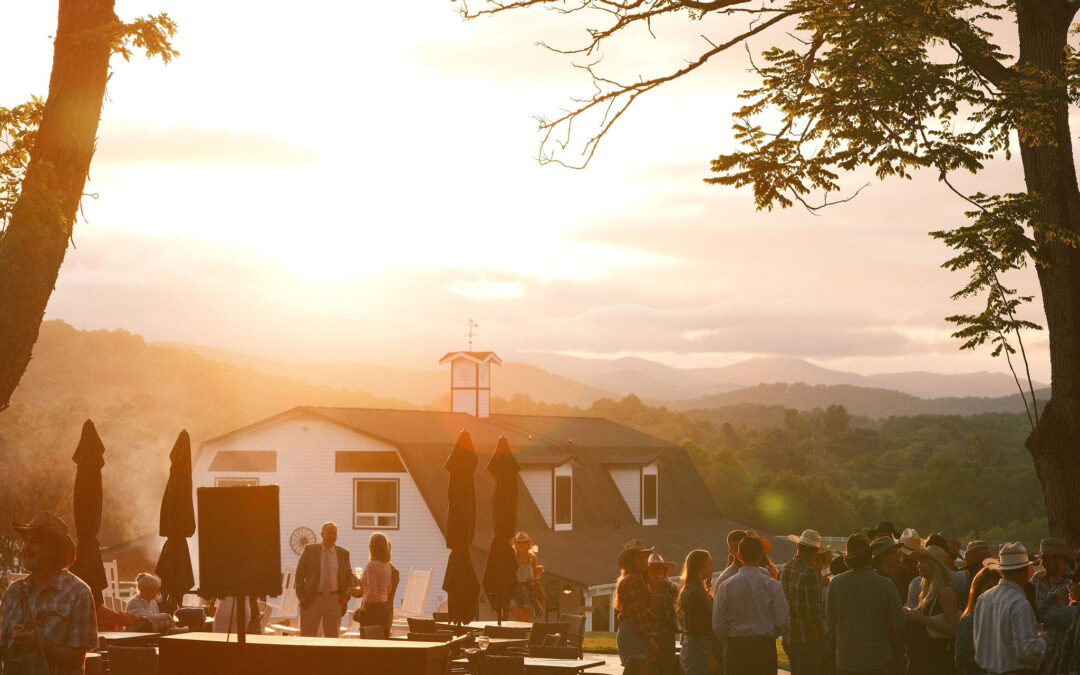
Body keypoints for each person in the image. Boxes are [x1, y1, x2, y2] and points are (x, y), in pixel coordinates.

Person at [0, 512, 98, 675]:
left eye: (36, 542)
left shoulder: (78, 593)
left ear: (54, 550)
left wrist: (36, 643)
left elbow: (76, 659)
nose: (27, 548)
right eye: (26, 541)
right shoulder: (14, 591)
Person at [824, 533, 904, 675]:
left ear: (848, 560)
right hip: (877, 659)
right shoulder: (886, 584)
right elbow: (898, 623)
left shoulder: (836, 583)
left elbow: (830, 622)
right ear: (869, 556)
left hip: (846, 659)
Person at [713, 534, 789, 675]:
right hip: (764, 649)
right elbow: (783, 621)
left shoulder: (726, 586)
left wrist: (732, 637)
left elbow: (718, 624)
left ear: (740, 556)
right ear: (761, 556)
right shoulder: (773, 586)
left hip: (737, 649)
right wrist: (769, 632)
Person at [973, 542, 1046, 675]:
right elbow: (1026, 652)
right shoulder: (1019, 603)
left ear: (1001, 571)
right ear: (1025, 571)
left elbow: (978, 645)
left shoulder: (983, 598)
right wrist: (1042, 641)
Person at [903, 545, 959, 675]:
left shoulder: (945, 591)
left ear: (934, 566)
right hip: (926, 657)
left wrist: (923, 619)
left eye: (922, 562)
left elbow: (954, 628)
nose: (918, 565)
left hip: (937, 660)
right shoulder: (927, 590)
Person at [295, 521, 356, 637]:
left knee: (332, 639)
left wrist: (347, 595)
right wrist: (302, 597)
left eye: (335, 533)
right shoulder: (310, 551)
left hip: (334, 601)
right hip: (312, 600)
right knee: (307, 638)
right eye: (329, 533)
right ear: (322, 534)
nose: (332, 536)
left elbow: (349, 576)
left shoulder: (343, 554)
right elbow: (299, 576)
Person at [781, 529, 826, 675]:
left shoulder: (785, 568)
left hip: (789, 637)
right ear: (815, 552)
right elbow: (814, 613)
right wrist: (823, 637)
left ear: (798, 547)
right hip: (807, 640)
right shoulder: (811, 573)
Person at [614, 539, 660, 667]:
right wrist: (650, 639)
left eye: (645, 557)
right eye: (639, 557)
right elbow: (638, 614)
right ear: (631, 561)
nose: (644, 561)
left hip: (635, 632)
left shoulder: (639, 580)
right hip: (633, 633)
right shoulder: (631, 581)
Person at [954, 567, 1000, 675]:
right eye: (988, 587)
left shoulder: (1002, 616)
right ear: (978, 591)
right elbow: (961, 659)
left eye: (997, 587)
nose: (993, 591)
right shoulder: (970, 620)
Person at [870, 536, 906, 675]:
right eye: (894, 552)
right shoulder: (888, 580)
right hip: (889, 645)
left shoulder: (876, 577)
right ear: (884, 556)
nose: (898, 555)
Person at [676, 549, 715, 675]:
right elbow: (696, 627)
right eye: (709, 564)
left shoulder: (697, 590)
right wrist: (709, 654)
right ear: (700, 567)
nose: (713, 567)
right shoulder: (694, 593)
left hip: (695, 646)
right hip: (697, 648)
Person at [354, 532, 394, 635]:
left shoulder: (372, 565)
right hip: (383, 608)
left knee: (367, 642)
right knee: (377, 639)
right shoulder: (387, 566)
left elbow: (372, 591)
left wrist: (364, 607)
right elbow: (389, 589)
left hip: (371, 610)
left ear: (372, 547)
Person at [648, 552, 680, 675]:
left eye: (659, 567)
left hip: (667, 635)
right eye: (652, 567)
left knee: (668, 668)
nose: (656, 571)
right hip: (649, 637)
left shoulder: (670, 587)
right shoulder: (642, 587)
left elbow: (679, 602)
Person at [1033, 538, 1074, 621]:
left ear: (1059, 559)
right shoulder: (1036, 578)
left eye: (1046, 559)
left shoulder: (1073, 582)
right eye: (1042, 559)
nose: (1043, 564)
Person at [509, 531, 543, 622]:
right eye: (519, 543)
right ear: (516, 544)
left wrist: (538, 572)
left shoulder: (532, 557)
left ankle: (522, 636)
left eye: (524, 542)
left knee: (525, 621)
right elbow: (507, 574)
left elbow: (534, 577)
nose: (522, 545)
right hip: (514, 591)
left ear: (527, 544)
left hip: (528, 591)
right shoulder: (512, 556)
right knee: (519, 617)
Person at [713, 530, 748, 596]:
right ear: (730, 551)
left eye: (743, 548)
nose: (740, 552)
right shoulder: (725, 580)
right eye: (736, 549)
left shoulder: (762, 573)